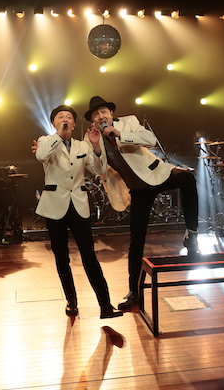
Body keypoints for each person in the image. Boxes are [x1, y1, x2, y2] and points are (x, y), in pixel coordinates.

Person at [84, 95, 200, 311]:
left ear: (111, 113)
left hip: (157, 173)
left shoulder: (128, 122)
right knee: (136, 241)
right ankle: (134, 292)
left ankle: (192, 236)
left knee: (187, 178)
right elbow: (98, 169)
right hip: (138, 189)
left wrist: (119, 134)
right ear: (92, 120)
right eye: (96, 114)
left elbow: (150, 140)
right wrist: (97, 147)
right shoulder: (91, 138)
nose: (101, 116)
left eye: (103, 112)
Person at [32, 105, 122, 319]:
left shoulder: (83, 145)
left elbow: (99, 170)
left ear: (74, 124)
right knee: (61, 257)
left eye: (69, 118)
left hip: (79, 205)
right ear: (54, 123)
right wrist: (59, 135)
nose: (65, 119)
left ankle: (105, 305)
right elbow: (41, 155)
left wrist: (96, 147)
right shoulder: (45, 141)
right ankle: (71, 300)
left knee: (89, 256)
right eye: (60, 117)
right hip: (54, 205)